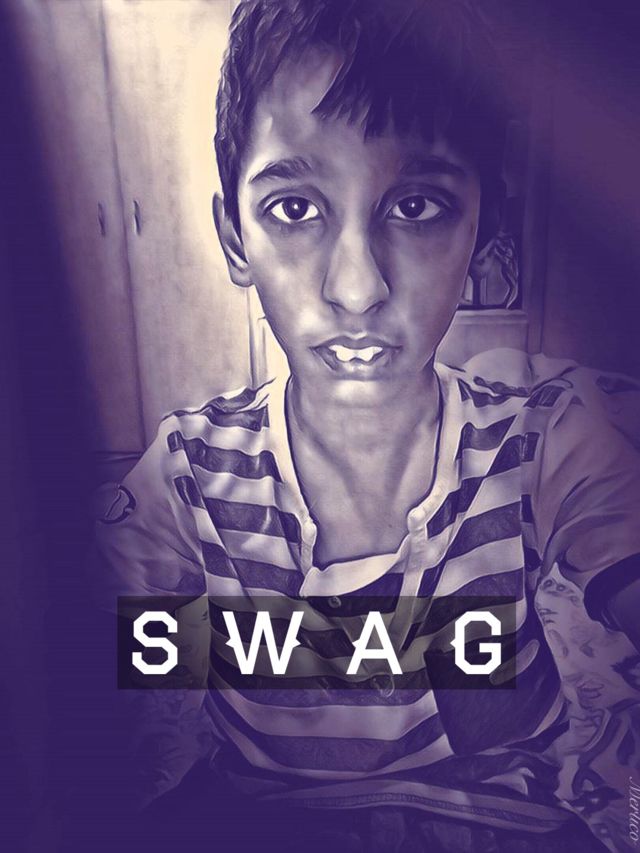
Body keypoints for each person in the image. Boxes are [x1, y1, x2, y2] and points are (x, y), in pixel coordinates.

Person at [94, 1, 640, 849]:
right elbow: (73, 671)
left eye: (416, 205)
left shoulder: (540, 441)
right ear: (235, 238)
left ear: (483, 233)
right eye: (294, 209)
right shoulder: (190, 476)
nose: (357, 289)